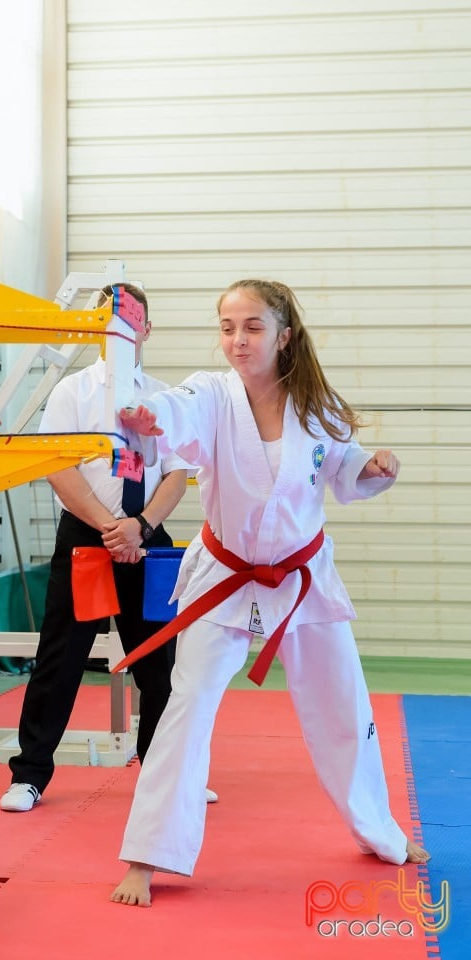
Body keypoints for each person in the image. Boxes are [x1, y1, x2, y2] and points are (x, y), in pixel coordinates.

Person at [110, 278, 430, 908]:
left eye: (252, 327)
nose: (236, 340)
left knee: (345, 706)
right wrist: (153, 418)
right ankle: (147, 856)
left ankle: (380, 832)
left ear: (283, 335)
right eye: (227, 326)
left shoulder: (320, 406)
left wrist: (373, 468)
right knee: (188, 704)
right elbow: (176, 409)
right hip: (225, 576)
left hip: (303, 579)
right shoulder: (211, 394)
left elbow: (343, 469)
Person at [0, 283, 211, 812]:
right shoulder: (73, 391)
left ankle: (166, 772)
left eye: (129, 321)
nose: (119, 330)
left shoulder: (166, 397)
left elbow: (179, 474)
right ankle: (29, 775)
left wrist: (139, 525)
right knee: (61, 656)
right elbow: (57, 464)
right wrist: (107, 526)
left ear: (146, 329)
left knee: (160, 660)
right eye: (108, 320)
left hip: (147, 537)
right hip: (85, 536)